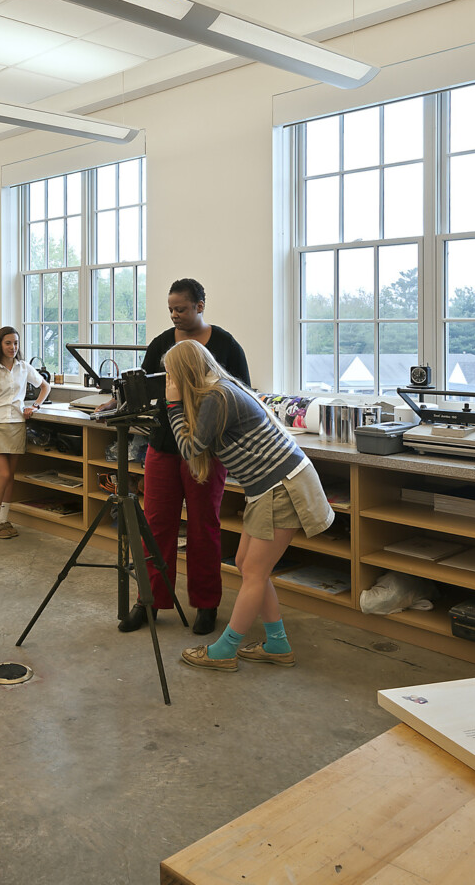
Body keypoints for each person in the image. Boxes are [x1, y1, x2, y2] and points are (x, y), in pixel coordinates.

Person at [161, 340, 334, 673]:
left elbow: (189, 448)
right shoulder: (218, 391)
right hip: (268, 486)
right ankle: (277, 644)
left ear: (184, 373)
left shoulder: (216, 397)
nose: (168, 381)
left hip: (282, 485)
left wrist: (173, 406)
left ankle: (224, 650)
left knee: (254, 571)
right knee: (246, 564)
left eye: (170, 374)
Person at [122, 278, 250, 636]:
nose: (175, 315)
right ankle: (149, 600)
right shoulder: (162, 344)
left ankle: (206, 604)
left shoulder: (225, 345)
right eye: (171, 309)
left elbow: (242, 395)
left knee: (203, 527)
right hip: (163, 445)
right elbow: (145, 390)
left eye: (182, 308)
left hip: (207, 452)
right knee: (157, 525)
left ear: (200, 305)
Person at [0, 326, 50, 539]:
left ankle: (4, 520)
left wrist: (35, 406)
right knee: (4, 474)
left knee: (11, 478)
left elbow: (45, 387)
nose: (12, 347)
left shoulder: (24, 367)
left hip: (17, 425)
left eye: (16, 343)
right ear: (0, 344)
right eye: (8, 343)